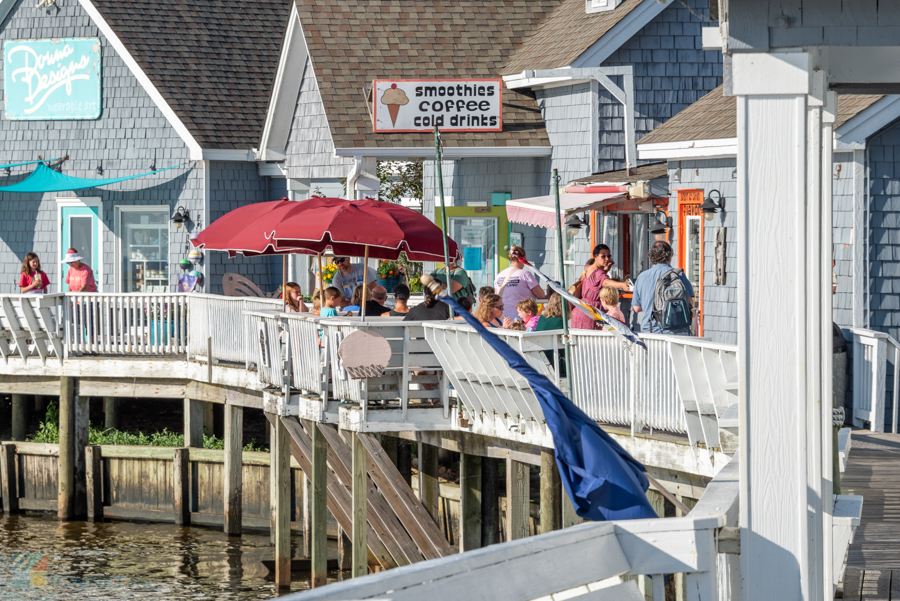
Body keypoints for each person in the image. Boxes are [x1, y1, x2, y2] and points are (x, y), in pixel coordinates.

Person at [632, 241, 694, 334]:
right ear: (670, 255)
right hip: (677, 333)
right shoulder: (678, 274)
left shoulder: (642, 277)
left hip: (651, 332)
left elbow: (636, 308)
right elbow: (689, 301)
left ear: (651, 257)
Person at [493, 245, 545, 320]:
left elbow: (496, 297)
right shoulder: (525, 274)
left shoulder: (499, 276)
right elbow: (541, 295)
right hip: (523, 319)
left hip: (503, 319)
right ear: (523, 258)